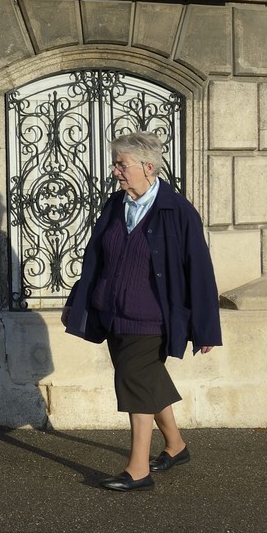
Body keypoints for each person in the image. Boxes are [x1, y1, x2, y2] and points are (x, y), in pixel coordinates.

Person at [62, 130, 222, 492]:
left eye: (122, 164)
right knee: (146, 379)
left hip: (151, 317)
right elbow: (95, 258)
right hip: (112, 311)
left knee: (133, 381)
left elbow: (198, 269)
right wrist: (76, 300)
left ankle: (138, 469)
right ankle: (176, 446)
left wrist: (206, 326)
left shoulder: (177, 211)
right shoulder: (114, 205)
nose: (115, 171)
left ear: (148, 167)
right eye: (115, 163)